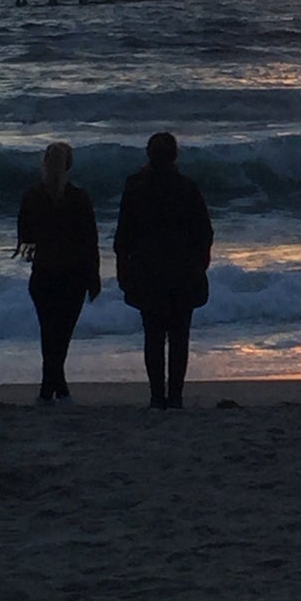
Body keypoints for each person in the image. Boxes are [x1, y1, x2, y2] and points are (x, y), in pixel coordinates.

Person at [114, 132, 213, 409]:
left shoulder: (135, 187)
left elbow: (123, 236)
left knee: (153, 335)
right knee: (180, 336)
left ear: (148, 154)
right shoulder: (187, 187)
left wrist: (123, 268)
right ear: (175, 155)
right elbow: (204, 233)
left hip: (147, 271)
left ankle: (157, 396)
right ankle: (176, 397)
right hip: (183, 270)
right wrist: (200, 263)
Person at [16, 141, 101, 404]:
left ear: (45, 163)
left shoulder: (32, 196)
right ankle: (54, 386)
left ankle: (51, 386)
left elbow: (25, 237)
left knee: (48, 330)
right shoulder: (79, 197)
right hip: (73, 273)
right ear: (70, 165)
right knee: (62, 333)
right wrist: (93, 276)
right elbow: (90, 240)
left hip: (43, 272)